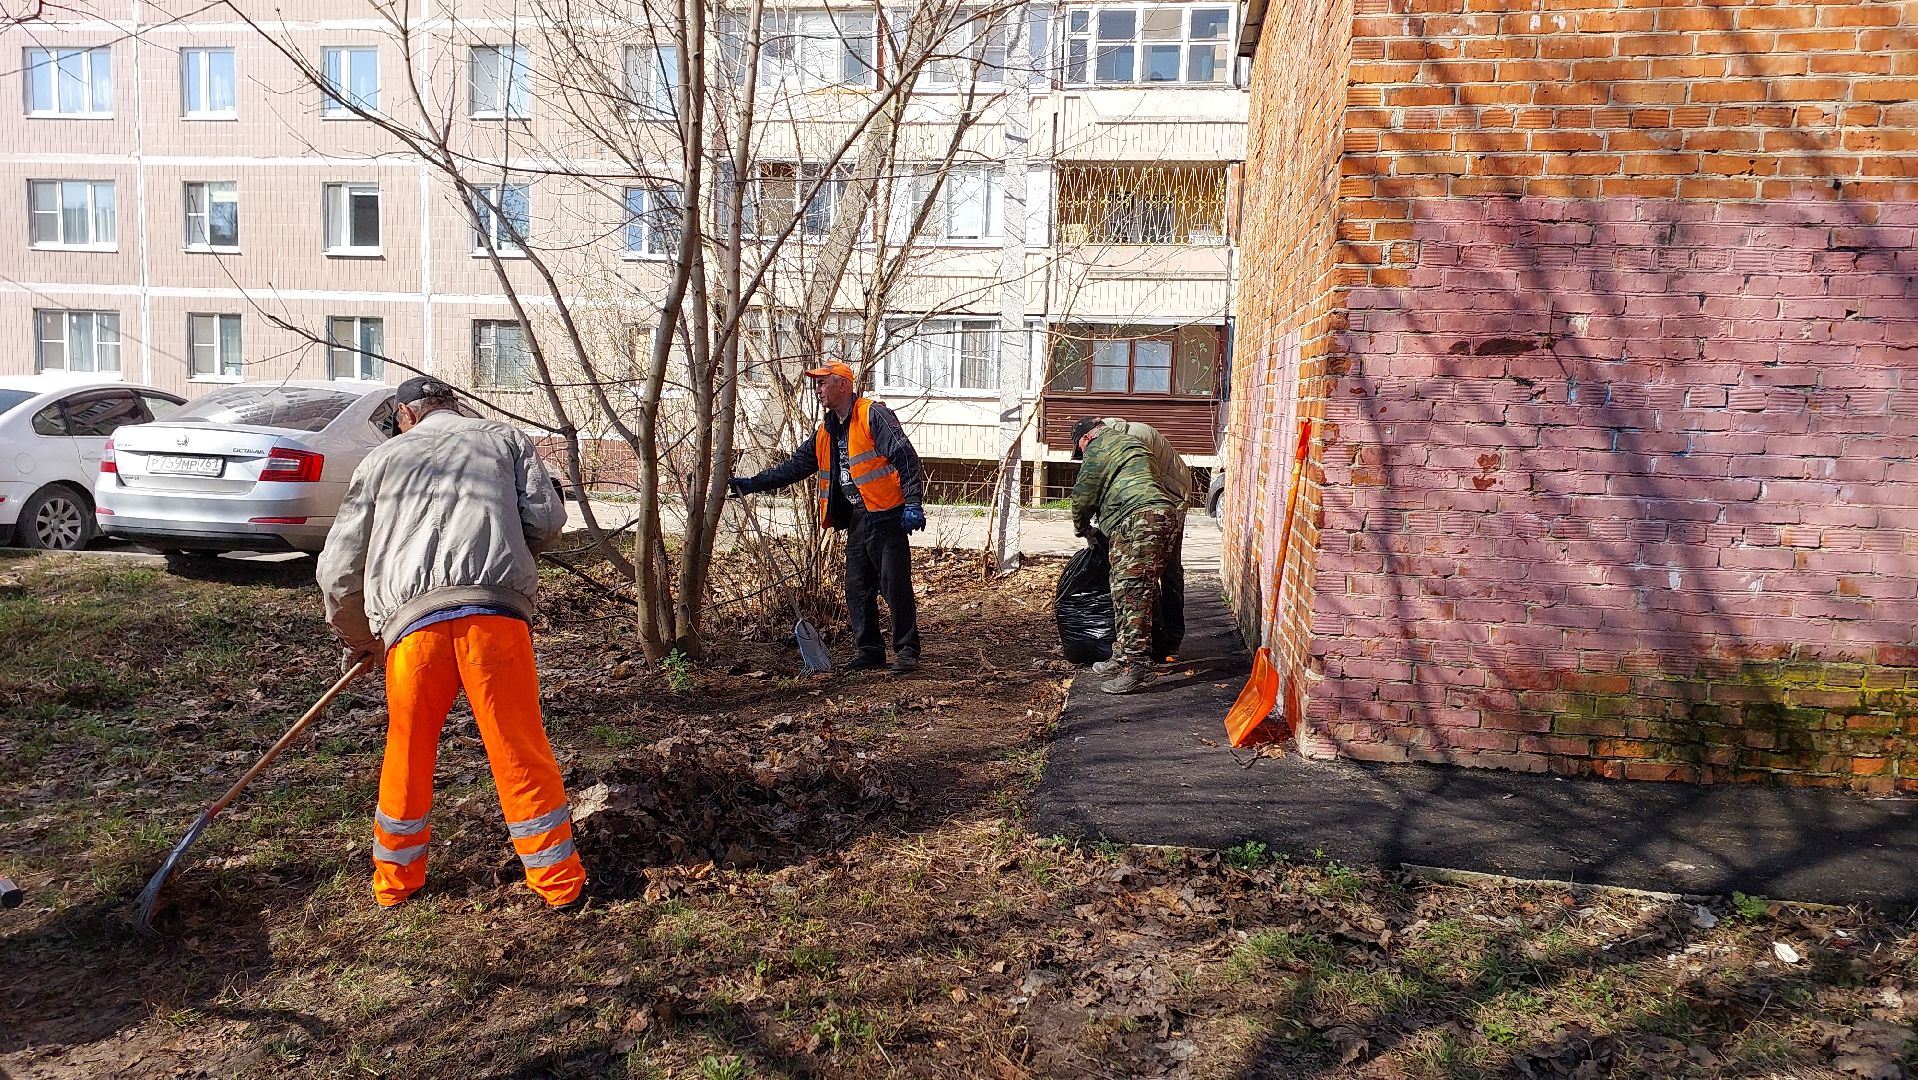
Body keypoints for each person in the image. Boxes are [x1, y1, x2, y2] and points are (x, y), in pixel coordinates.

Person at [317, 375, 585, 912]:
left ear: (405, 417)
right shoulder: (505, 439)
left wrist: (360, 638)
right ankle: (558, 882)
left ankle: (395, 883)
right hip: (495, 622)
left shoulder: (381, 462)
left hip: (411, 632)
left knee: (408, 751)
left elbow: (338, 568)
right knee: (519, 747)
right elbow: (550, 523)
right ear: (452, 407)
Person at [730, 360, 927, 673]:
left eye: (823, 383)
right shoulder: (827, 431)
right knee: (857, 586)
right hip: (860, 517)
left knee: (894, 584)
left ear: (843, 385)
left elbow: (905, 457)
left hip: (888, 514)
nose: (818, 390)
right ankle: (870, 652)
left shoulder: (872, 415)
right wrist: (753, 483)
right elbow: (794, 467)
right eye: (817, 384)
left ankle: (906, 652)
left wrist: (913, 503)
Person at [1070, 416, 1175, 695]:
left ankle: (1139, 667)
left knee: (1131, 592)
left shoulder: (1098, 447)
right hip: (1162, 515)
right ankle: (1124, 656)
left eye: (1080, 450)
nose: (1082, 455)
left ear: (1085, 439)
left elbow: (1083, 495)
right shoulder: (1130, 443)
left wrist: (1083, 529)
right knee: (1137, 589)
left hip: (1138, 520)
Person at [1098, 417, 1191, 659]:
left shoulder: (1131, 441)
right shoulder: (1116, 438)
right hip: (1158, 497)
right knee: (1146, 572)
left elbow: (1130, 486)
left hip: (1171, 497)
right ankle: (1155, 639)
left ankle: (1169, 639)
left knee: (1162, 570)